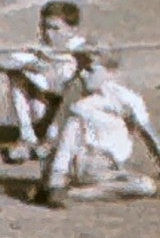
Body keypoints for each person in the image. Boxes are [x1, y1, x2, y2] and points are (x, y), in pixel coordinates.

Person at [35, 44, 160, 207]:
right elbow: (58, 134)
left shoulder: (125, 98)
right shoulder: (74, 95)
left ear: (111, 72)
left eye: (90, 69)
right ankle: (59, 187)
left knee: (145, 185)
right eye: (79, 68)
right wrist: (55, 174)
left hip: (105, 166)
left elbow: (148, 135)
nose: (82, 75)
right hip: (73, 162)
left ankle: (76, 193)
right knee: (74, 119)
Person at [0, 0, 86, 164]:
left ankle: (53, 141)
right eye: (45, 27)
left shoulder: (82, 48)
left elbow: (104, 68)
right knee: (16, 76)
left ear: (72, 30)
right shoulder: (40, 48)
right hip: (46, 106)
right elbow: (0, 64)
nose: (48, 33)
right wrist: (32, 65)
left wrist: (62, 68)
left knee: (78, 84)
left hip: (72, 111)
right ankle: (27, 138)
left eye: (55, 28)